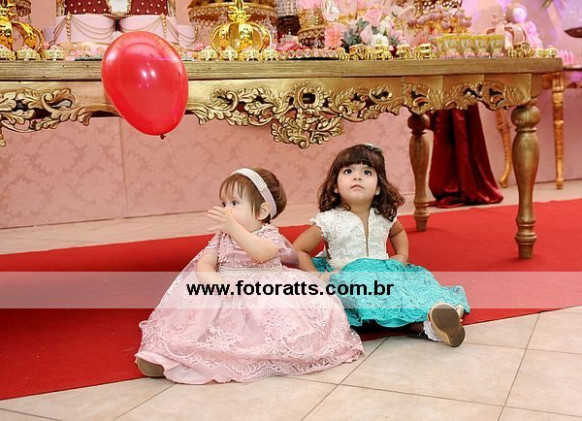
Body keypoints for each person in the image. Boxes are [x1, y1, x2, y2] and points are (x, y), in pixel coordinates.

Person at [136, 167, 363, 383]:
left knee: (271, 329)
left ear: (262, 211)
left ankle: (253, 358)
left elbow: (261, 253)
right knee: (200, 326)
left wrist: (234, 228)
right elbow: (205, 263)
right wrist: (213, 280)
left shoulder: (269, 234)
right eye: (224, 203)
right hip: (226, 288)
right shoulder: (222, 237)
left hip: (266, 291)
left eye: (234, 203)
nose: (227, 210)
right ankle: (172, 357)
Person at [293, 144, 470, 347]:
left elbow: (398, 232)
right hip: (348, 276)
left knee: (412, 289)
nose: (357, 177)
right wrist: (317, 278)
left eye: (367, 172)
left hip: (384, 272)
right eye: (348, 171)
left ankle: (433, 321)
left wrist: (401, 256)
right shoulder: (329, 219)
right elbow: (300, 249)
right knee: (371, 294)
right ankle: (426, 322)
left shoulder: (383, 215)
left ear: (378, 187)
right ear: (335, 185)